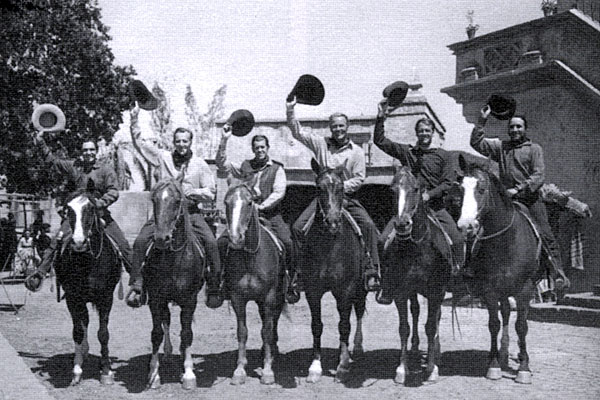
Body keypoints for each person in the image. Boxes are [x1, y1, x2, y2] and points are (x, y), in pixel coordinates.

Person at [127, 105, 222, 308]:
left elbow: (211, 192)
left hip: (191, 213)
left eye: (185, 141)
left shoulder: (200, 164)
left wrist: (194, 193)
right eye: (178, 141)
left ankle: (214, 286)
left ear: (190, 142)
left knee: (211, 243)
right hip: (164, 213)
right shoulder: (163, 157)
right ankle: (137, 285)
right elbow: (140, 143)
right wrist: (134, 120)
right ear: (173, 143)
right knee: (141, 241)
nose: (181, 145)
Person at [373, 100, 465, 304]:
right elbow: (380, 141)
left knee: (457, 240)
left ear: (432, 133)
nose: (424, 134)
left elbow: (449, 183)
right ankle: (386, 282)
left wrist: (429, 195)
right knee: (382, 241)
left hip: (435, 208)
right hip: (409, 208)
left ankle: (457, 280)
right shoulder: (409, 152)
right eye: (421, 131)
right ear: (417, 133)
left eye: (427, 131)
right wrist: (381, 118)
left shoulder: (444, 156)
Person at [470, 105, 570, 291]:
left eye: (519, 127)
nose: (515, 130)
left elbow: (538, 175)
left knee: (545, 233)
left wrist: (518, 189)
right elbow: (477, 143)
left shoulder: (534, 149)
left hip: (530, 200)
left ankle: (558, 274)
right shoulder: (501, 147)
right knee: (480, 228)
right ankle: (472, 271)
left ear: (525, 129)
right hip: (506, 200)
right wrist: (482, 121)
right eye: (512, 127)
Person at [286, 97, 381, 292]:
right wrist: (290, 110)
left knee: (369, 226)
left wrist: (337, 187)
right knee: (297, 228)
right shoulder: (321, 144)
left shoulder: (356, 152)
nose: (338, 129)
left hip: (346, 198)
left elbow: (359, 178)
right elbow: (297, 132)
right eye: (334, 126)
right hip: (323, 199)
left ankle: (372, 271)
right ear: (330, 128)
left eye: (341, 126)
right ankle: (299, 273)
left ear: (347, 127)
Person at [25, 131, 132, 292]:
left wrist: (99, 203)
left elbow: (113, 191)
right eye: (85, 150)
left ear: (96, 152)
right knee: (57, 241)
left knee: (122, 244)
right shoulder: (74, 166)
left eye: (91, 150)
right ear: (81, 153)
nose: (88, 153)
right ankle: (40, 274)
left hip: (99, 213)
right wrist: (40, 142)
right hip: (76, 215)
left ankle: (137, 280)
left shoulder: (106, 170)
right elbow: (52, 161)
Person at [216, 128, 298, 303]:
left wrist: (260, 207)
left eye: (262, 147)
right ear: (253, 149)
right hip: (245, 217)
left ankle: (291, 282)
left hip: (269, 216)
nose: (259, 150)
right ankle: (220, 283)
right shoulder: (245, 166)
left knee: (288, 242)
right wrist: (223, 141)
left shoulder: (277, 169)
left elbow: (279, 193)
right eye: (256, 148)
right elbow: (222, 164)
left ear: (268, 148)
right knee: (222, 242)